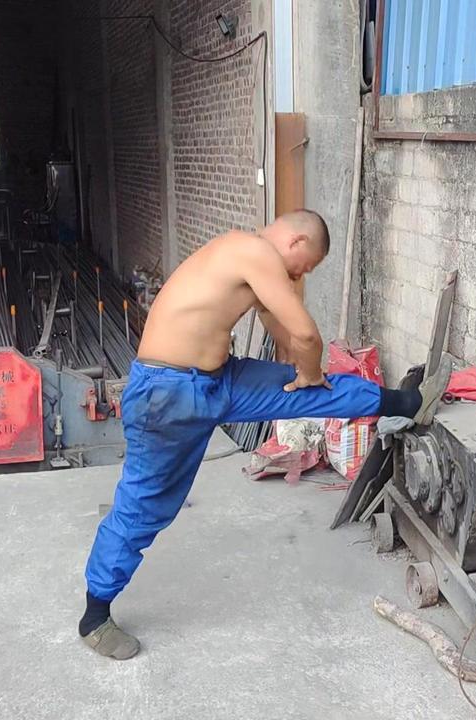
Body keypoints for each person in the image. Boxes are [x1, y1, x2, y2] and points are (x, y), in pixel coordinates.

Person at [78, 209, 451, 660]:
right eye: (305, 267)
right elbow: (307, 337)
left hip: (218, 381)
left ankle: (409, 403)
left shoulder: (252, 265)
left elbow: (283, 329)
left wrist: (305, 375)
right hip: (167, 393)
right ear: (296, 242)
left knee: (315, 391)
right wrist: (308, 370)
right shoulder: (253, 251)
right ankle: (94, 617)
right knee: (146, 505)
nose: (300, 276)